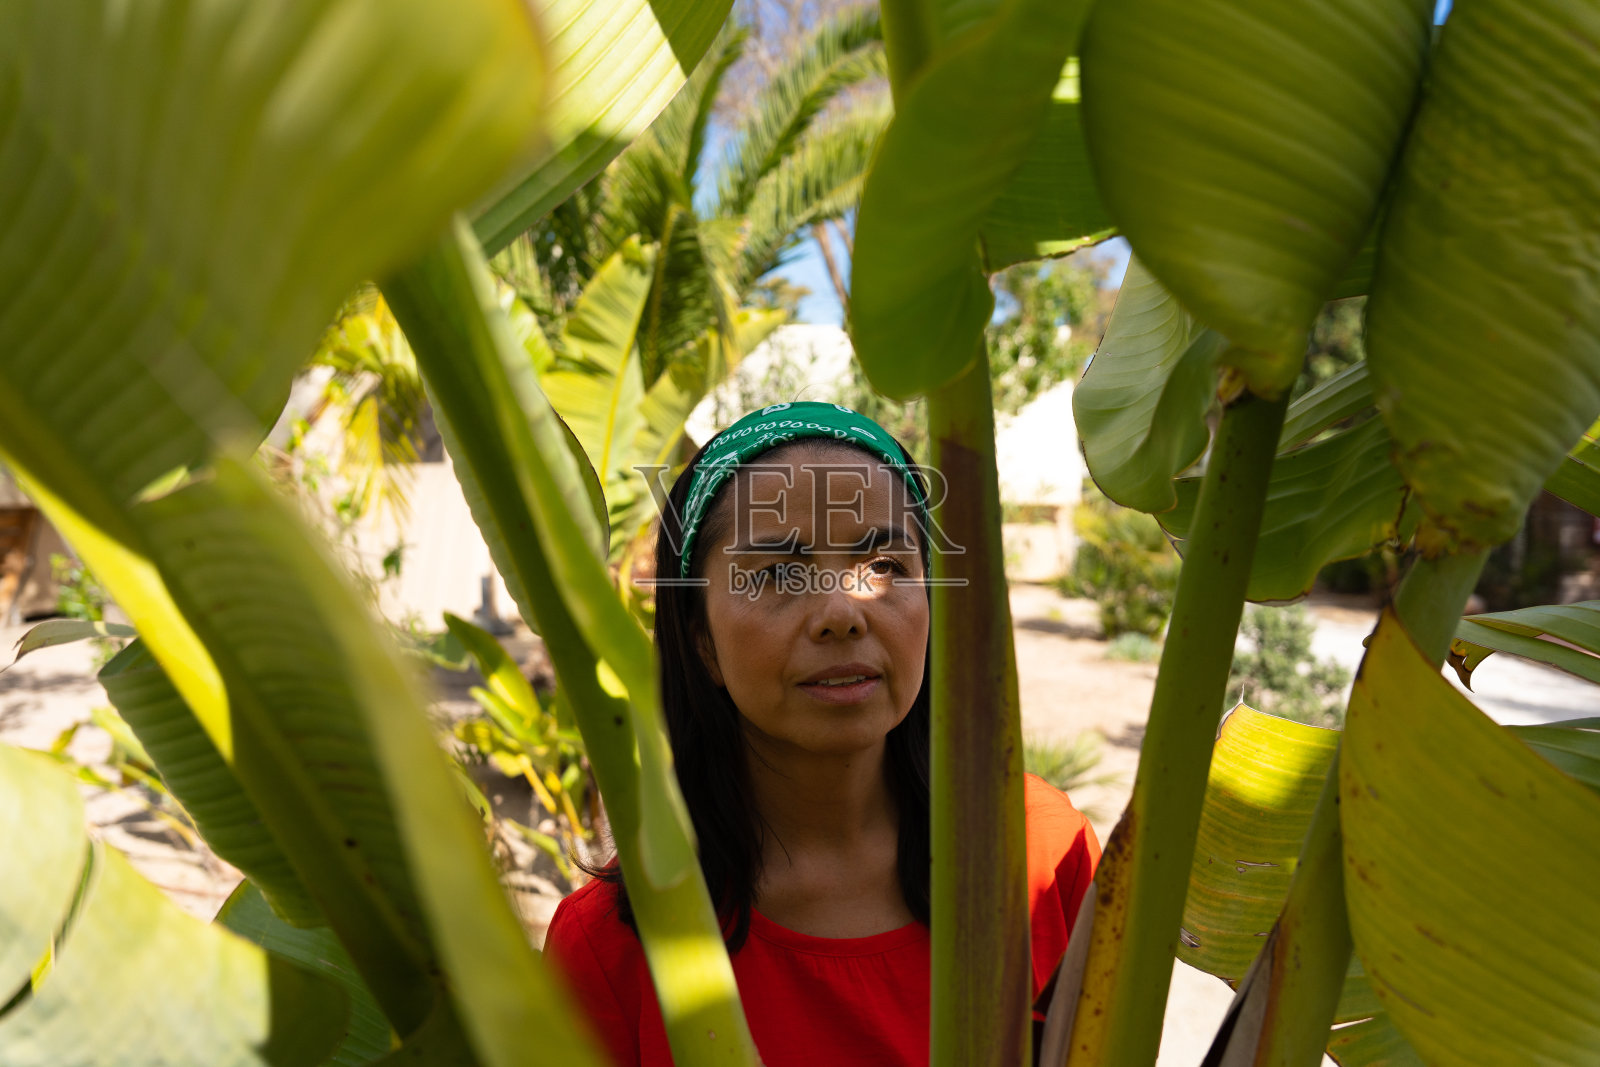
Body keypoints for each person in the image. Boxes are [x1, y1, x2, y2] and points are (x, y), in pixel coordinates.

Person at [544, 401, 1100, 1066]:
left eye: (885, 564)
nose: (843, 612)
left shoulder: (1042, 855)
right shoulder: (609, 948)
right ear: (702, 642)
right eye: (778, 573)